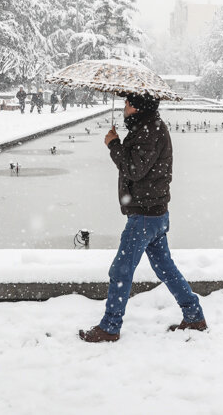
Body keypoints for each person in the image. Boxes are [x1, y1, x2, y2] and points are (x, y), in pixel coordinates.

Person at [79, 93, 206, 343]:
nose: (124, 107)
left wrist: (113, 145)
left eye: (127, 103)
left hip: (145, 216)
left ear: (137, 107)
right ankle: (193, 315)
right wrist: (120, 142)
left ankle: (110, 327)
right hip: (154, 212)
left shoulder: (148, 130)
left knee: (121, 270)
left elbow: (134, 170)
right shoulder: (147, 127)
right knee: (165, 268)